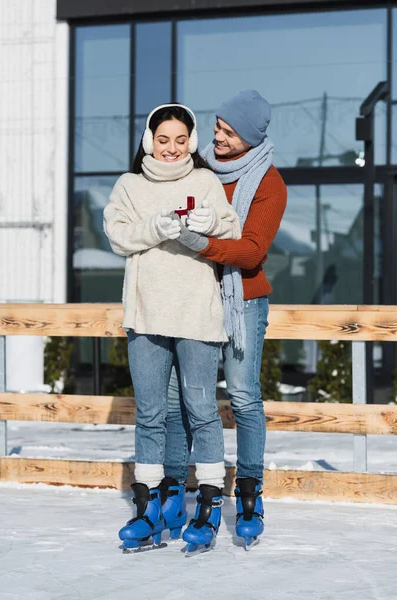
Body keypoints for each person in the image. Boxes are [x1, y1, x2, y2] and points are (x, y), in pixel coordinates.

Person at [103, 104, 240, 553]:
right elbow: (118, 236)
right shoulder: (130, 186)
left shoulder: (204, 182)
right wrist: (157, 227)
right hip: (145, 313)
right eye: (164, 139)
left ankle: (207, 506)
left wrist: (210, 222)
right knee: (150, 415)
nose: (172, 148)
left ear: (191, 141)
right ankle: (147, 510)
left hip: (197, 312)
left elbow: (232, 229)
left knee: (201, 410)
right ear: (149, 139)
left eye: (181, 139)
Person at [164, 90, 287, 549]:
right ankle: (173, 487)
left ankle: (250, 492)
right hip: (193, 297)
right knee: (181, 396)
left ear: (250, 139)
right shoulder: (199, 173)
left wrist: (201, 244)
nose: (217, 137)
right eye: (216, 127)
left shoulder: (268, 183)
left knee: (242, 396)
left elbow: (252, 251)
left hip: (242, 301)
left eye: (228, 132)